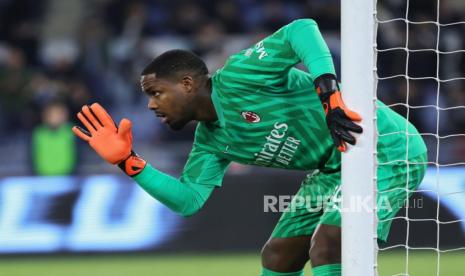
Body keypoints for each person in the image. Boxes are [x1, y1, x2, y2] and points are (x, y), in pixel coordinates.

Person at [72, 19, 427, 276]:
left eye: (156, 93)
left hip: (386, 147)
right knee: (277, 257)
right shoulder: (210, 143)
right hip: (334, 169)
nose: (151, 105)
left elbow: (301, 29)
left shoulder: (240, 76)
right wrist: (128, 162)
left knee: (329, 242)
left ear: (187, 83)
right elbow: (188, 200)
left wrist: (329, 96)